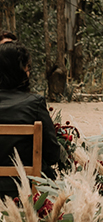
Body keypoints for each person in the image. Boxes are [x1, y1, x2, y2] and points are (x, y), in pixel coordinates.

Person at [0, 41, 63, 196]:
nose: (29, 72)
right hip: (26, 186)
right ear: (20, 70)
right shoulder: (34, 103)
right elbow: (53, 154)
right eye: (28, 67)